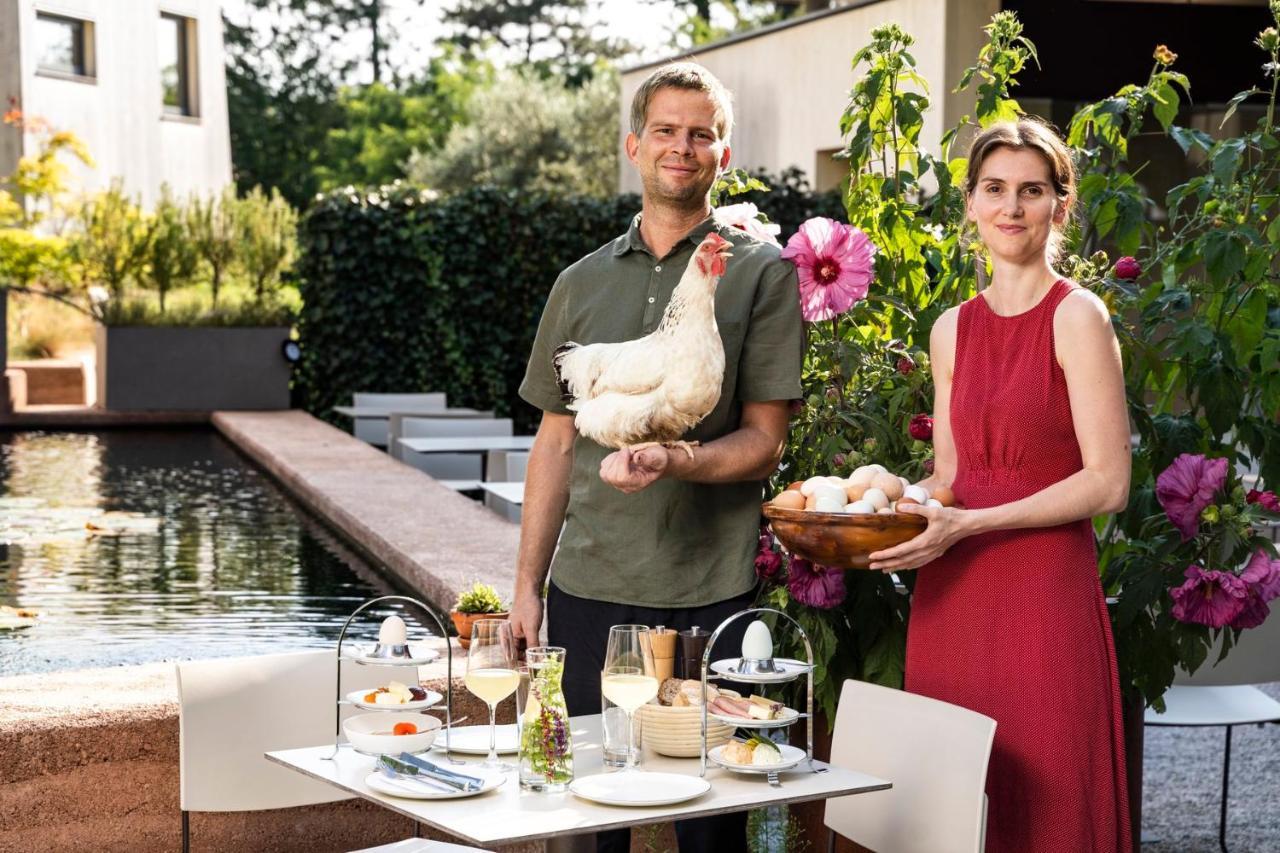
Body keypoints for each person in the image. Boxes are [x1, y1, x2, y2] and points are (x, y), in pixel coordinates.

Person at [511, 62, 803, 853]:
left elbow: (763, 441)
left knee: (709, 831)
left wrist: (676, 459)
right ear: (635, 146)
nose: (684, 147)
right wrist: (525, 587)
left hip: (711, 593)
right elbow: (555, 442)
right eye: (667, 132)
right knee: (581, 822)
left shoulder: (760, 275)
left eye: (701, 134)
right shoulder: (578, 284)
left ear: (724, 153)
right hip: (589, 589)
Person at [868, 118, 1132, 851]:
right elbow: (954, 475)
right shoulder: (950, 328)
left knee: (1047, 795)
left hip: (1043, 597)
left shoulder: (1078, 316)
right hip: (954, 602)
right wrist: (883, 506)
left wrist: (974, 524)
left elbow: (1109, 482)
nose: (1011, 207)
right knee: (954, 805)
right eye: (995, 189)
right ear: (972, 204)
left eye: (1031, 190)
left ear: (1059, 205)